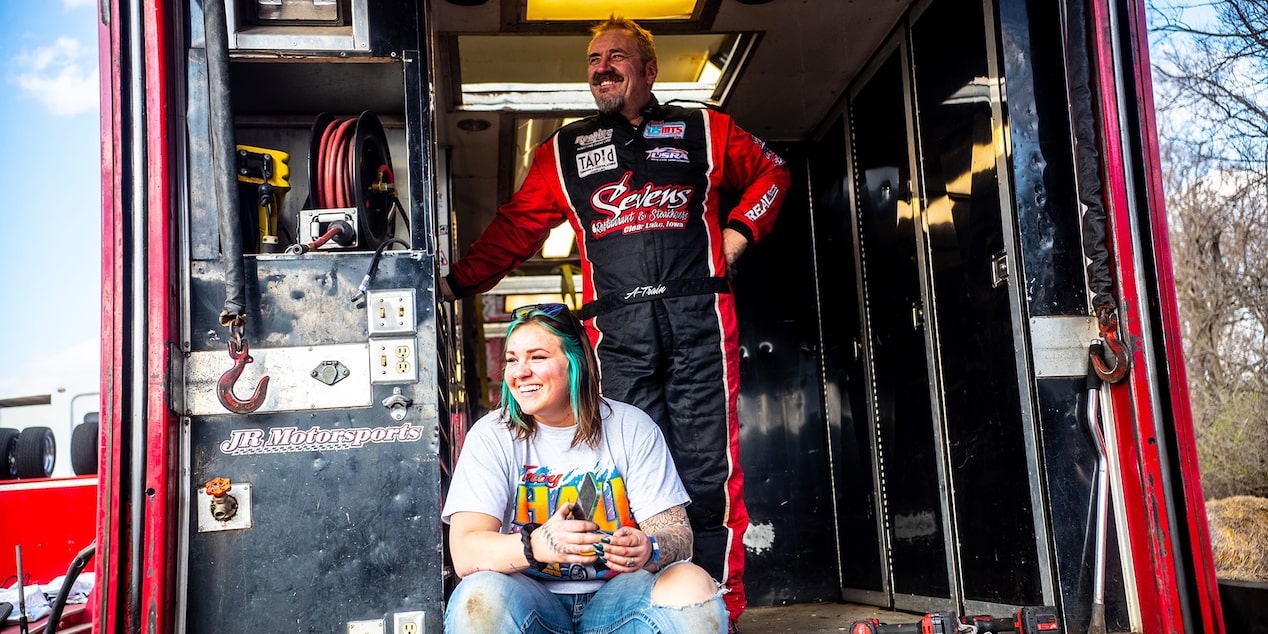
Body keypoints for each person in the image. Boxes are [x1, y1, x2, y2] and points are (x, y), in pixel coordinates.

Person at [440, 16, 789, 626]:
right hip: (616, 333)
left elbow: (773, 173)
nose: (602, 67)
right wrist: (451, 285)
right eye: (594, 58)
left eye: (617, 57)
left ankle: (718, 612)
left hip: (699, 318)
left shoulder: (703, 127)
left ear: (650, 70)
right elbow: (515, 230)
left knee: (710, 477)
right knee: (621, 479)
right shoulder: (566, 151)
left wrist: (737, 234)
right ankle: (617, 609)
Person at [442, 303, 727, 633]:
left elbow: (678, 534)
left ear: (577, 363)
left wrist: (649, 549)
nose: (519, 372)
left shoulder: (631, 427)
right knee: (478, 598)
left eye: (537, 357)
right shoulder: (492, 435)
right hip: (530, 602)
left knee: (692, 584)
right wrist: (536, 545)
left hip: (616, 600)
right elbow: (465, 552)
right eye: (511, 359)